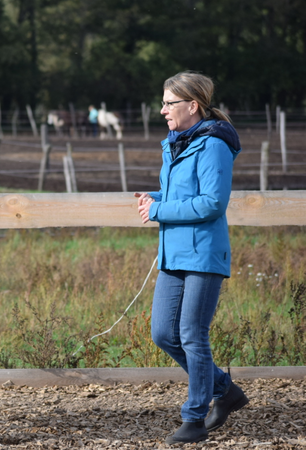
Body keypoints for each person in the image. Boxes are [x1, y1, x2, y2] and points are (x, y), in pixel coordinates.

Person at [134, 71, 247, 445]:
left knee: (193, 337)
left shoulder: (213, 144)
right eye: (163, 102)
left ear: (192, 105)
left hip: (203, 253)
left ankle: (194, 418)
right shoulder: (175, 143)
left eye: (169, 103)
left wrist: (160, 210)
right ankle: (225, 391)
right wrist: (154, 198)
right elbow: (180, 193)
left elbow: (212, 203)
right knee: (164, 334)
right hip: (174, 253)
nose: (162, 109)